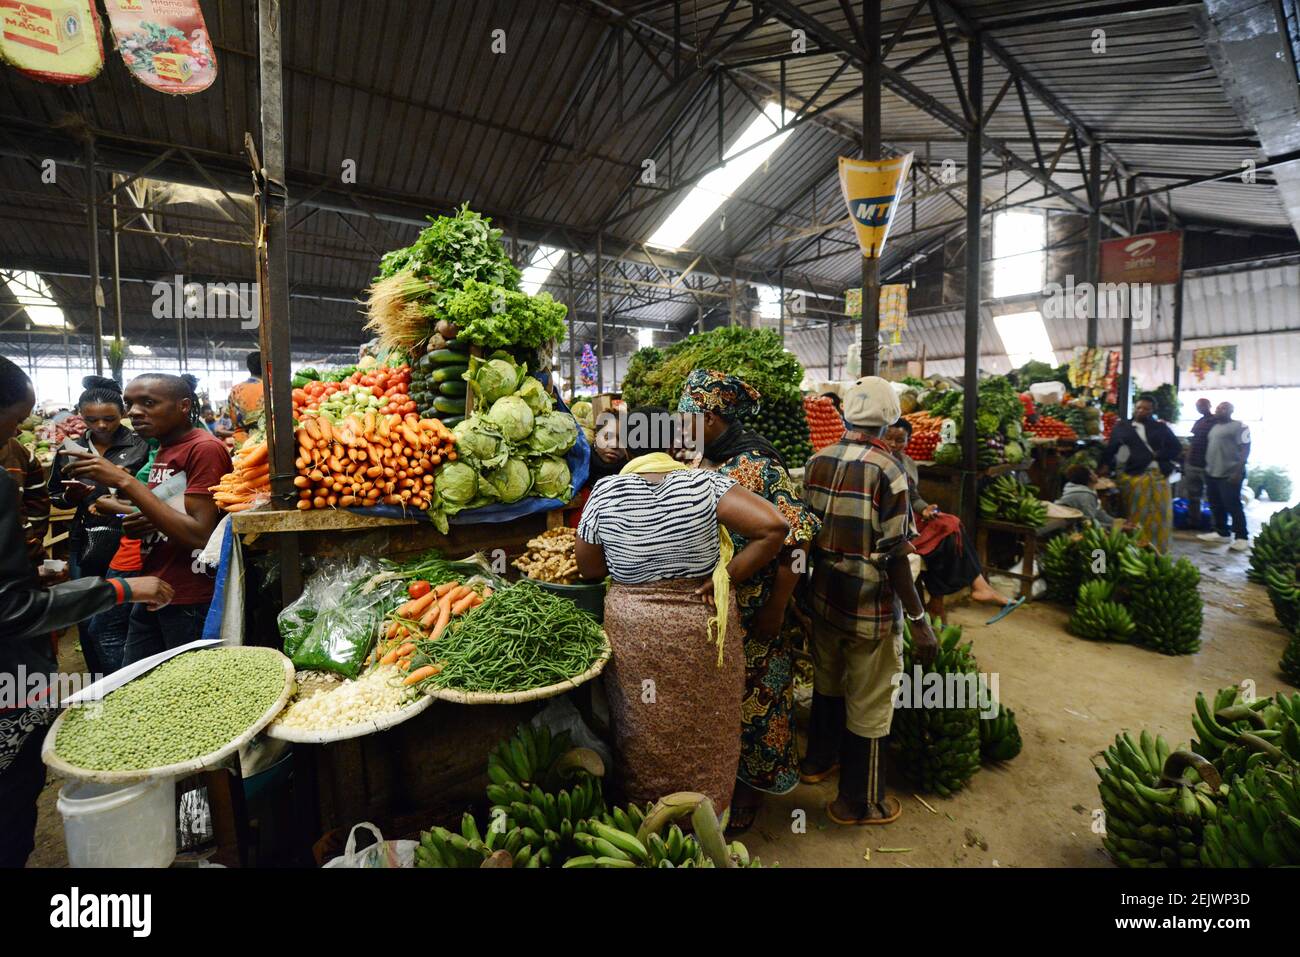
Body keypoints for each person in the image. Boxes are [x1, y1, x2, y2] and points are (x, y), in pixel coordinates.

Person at [0, 357, 173, 867]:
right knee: (10, 811)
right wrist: (119, 590)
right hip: (11, 672)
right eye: (10, 424)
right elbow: (12, 610)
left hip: (96, 562)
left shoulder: (147, 451)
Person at [575, 405, 789, 816]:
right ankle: (707, 821)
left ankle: (649, 822)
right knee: (707, 724)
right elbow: (774, 527)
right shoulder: (706, 485)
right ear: (674, 443)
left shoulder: (604, 492)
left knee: (643, 727)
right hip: (701, 625)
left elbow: (589, 568)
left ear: (627, 445)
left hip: (634, 634)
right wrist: (728, 574)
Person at [675, 370, 821, 830]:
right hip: (723, 614)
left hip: (757, 615)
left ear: (713, 418)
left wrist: (776, 610)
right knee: (724, 706)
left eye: (689, 418)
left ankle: (751, 795)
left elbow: (797, 546)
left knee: (757, 707)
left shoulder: (760, 466)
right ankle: (721, 784)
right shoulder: (710, 462)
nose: (682, 427)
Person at [802, 377, 938, 826]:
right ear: (889, 419)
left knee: (828, 681)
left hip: (824, 598)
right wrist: (919, 618)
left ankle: (817, 762)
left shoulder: (816, 461)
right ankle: (858, 803)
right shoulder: (890, 470)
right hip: (870, 608)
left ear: (845, 415)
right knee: (872, 699)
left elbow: (803, 536)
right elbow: (898, 555)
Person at [67, 373, 231, 664]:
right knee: (139, 677)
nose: (135, 412)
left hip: (189, 591)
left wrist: (124, 481)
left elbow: (200, 536)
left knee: (185, 685)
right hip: (157, 581)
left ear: (183, 406)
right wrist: (148, 519)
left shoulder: (203, 449)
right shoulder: (167, 448)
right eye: (130, 404)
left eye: (149, 403)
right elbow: (175, 511)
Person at [46, 377, 151, 676]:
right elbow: (56, 496)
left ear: (122, 415)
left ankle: (126, 677)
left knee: (123, 613)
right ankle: (98, 680)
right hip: (86, 539)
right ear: (80, 416)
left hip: (129, 537)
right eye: (92, 420)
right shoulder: (70, 449)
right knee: (87, 613)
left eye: (109, 419)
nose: (102, 426)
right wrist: (69, 496)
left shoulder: (140, 445)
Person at [882, 419, 1017, 622]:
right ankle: (974, 588)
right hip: (891, 521)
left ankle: (951, 598)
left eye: (900, 440)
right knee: (950, 530)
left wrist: (925, 508)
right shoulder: (877, 461)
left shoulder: (908, 463)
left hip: (911, 517)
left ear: (908, 440)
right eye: (889, 438)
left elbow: (914, 496)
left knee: (950, 530)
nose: (893, 444)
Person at [1098, 394, 1181, 552]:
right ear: (1134, 408)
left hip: (1158, 475)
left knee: (1161, 513)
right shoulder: (1122, 427)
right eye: (1138, 408)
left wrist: (1158, 454)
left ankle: (1159, 548)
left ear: (1152, 411)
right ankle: (1137, 546)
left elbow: (1175, 448)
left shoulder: (1160, 427)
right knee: (1137, 512)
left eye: (1146, 409)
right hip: (1135, 474)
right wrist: (1103, 466)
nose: (1141, 411)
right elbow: (1111, 449)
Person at [1198, 401, 1252, 551]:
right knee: (1215, 504)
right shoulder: (1214, 427)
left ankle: (1242, 537)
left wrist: (1238, 471)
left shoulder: (1241, 426)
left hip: (1230, 473)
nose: (1220, 410)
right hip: (1212, 472)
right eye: (1218, 408)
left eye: (1224, 408)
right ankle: (1222, 533)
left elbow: (1246, 448)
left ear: (1231, 410)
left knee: (1233, 505)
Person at [0, 432, 49, 570]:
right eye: (18, 419)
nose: (18, 431)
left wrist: (34, 543)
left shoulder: (16, 450)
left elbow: (37, 502)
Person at [1056, 465, 1125, 529]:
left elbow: (1098, 513)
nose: (1096, 475)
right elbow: (1089, 524)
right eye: (1093, 473)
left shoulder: (1087, 491)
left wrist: (1117, 522)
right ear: (1090, 477)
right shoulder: (1085, 496)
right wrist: (1116, 527)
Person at [1181, 398, 1215, 529]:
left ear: (1209, 405)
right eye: (1198, 406)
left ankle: (1214, 525)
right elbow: (1193, 442)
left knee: (1211, 496)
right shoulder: (1199, 422)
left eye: (1202, 405)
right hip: (1193, 464)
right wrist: (1187, 460)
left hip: (1208, 465)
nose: (1200, 408)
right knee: (1193, 496)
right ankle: (1193, 522)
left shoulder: (1216, 421)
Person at [228, 351, 264, 446]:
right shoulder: (271, 388)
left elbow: (233, 420)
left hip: (242, 443)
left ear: (249, 367)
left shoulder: (235, 390)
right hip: (265, 442)